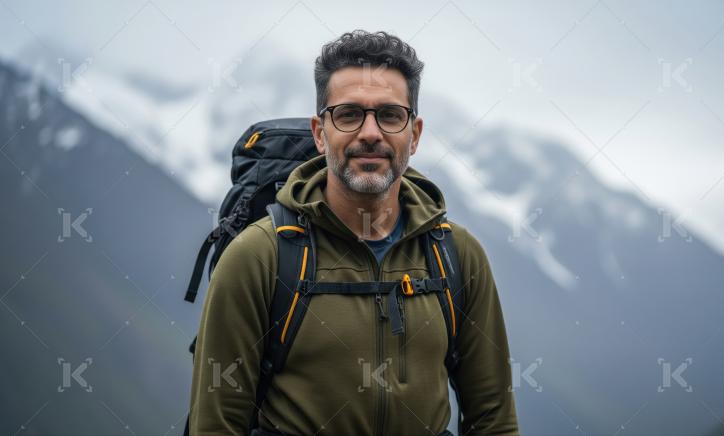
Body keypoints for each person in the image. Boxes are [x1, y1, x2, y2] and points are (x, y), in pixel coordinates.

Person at [189, 29, 519, 436]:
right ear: (320, 132)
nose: (370, 133)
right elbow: (216, 425)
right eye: (348, 114)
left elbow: (494, 419)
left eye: (390, 115)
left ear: (414, 135)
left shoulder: (457, 255)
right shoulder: (258, 256)